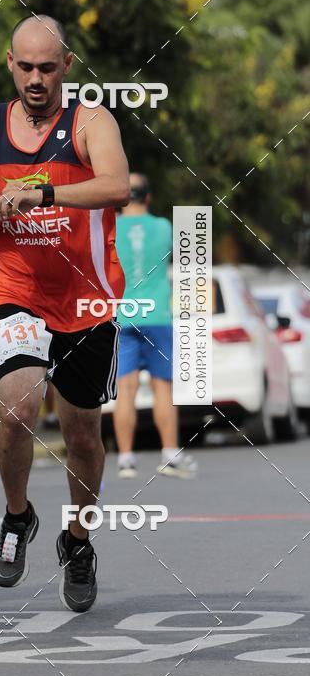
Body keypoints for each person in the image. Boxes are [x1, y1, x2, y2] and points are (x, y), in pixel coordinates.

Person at [0, 15, 129, 613]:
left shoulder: (90, 121)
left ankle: (77, 541)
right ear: (9, 63)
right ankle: (17, 515)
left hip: (86, 301)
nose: (35, 78)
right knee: (18, 407)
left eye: (47, 68)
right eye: (25, 67)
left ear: (67, 67)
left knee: (82, 432)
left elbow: (116, 188)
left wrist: (44, 193)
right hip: (17, 290)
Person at [113, 173, 197, 480]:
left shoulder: (111, 227)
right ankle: (169, 454)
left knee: (126, 389)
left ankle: (125, 459)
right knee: (163, 387)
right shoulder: (164, 227)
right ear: (148, 197)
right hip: (158, 314)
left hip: (123, 315)